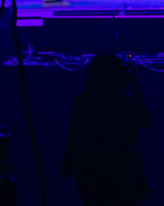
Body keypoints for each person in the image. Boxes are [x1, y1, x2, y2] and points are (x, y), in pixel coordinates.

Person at [62, 53, 152, 205]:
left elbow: (74, 135)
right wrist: (135, 84)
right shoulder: (123, 104)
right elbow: (147, 120)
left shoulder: (85, 101)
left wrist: (68, 166)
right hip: (123, 174)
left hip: (92, 174)